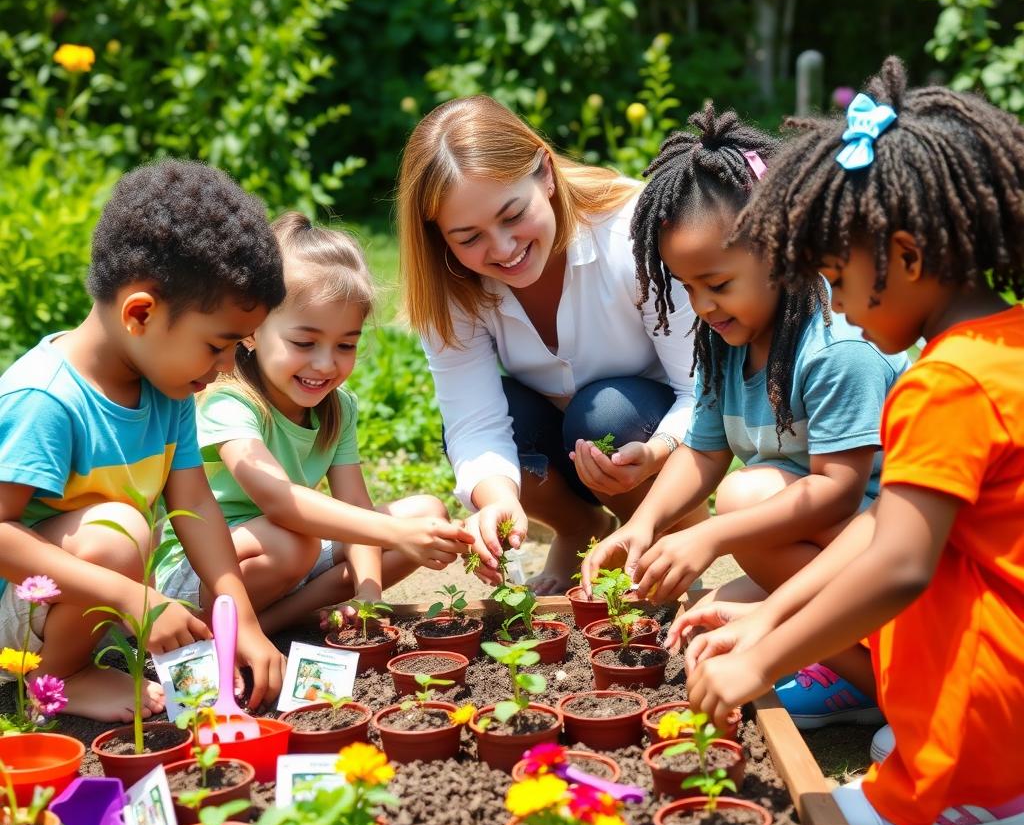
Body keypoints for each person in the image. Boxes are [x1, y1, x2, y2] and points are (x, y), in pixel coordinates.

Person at [681, 58, 1024, 825]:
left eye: (837, 280)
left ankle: (963, 788)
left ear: (905, 256)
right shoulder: (1003, 344)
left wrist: (762, 659)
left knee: (921, 587)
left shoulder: (946, 382)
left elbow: (898, 564)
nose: (833, 306)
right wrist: (764, 615)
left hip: (1003, 682)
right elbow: (880, 530)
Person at [581, 105, 907, 727]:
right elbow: (703, 452)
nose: (703, 305)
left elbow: (838, 495)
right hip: (825, 545)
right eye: (686, 287)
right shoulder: (727, 342)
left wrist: (708, 536)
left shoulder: (838, 349)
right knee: (707, 618)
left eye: (718, 282)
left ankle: (891, 693)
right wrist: (644, 526)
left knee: (742, 501)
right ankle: (841, 664)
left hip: (892, 547)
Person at [0, 160, 288, 720]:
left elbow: (195, 504)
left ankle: (92, 650)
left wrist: (242, 618)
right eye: (217, 345)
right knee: (121, 530)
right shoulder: (45, 400)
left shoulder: (169, 390)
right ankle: (61, 679)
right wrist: (134, 599)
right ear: (141, 313)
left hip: (94, 598)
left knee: (127, 537)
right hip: (17, 617)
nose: (227, 366)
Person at [398, 95, 704, 594]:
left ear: (544, 171)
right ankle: (580, 528)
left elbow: (703, 392)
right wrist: (497, 498)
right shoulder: (451, 282)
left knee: (603, 416)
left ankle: (668, 532)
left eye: (511, 214)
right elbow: (474, 422)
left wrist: (657, 451)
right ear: (439, 236)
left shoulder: (632, 232)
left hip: (651, 434)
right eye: (468, 236)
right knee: (511, 426)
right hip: (557, 433)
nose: (501, 248)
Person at [157, 212, 473, 634]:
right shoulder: (229, 400)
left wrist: (369, 597)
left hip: (291, 555)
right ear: (252, 331)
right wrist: (394, 533)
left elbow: (355, 507)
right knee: (298, 542)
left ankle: (273, 623)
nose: (325, 364)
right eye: (304, 343)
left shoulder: (337, 407)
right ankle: (224, 624)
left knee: (424, 513)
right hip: (204, 574)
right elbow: (279, 500)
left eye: (345, 345)